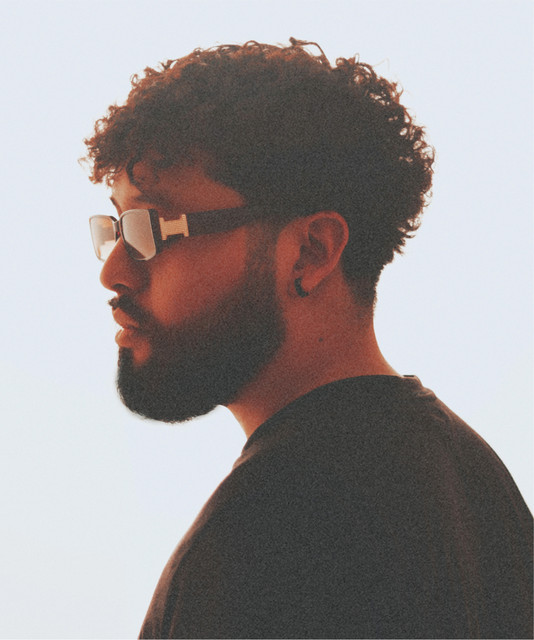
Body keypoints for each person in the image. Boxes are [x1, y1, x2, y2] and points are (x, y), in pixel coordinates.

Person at [84, 39, 533, 639]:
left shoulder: (270, 536)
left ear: (311, 251)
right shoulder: (477, 489)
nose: (113, 272)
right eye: (115, 226)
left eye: (149, 227)